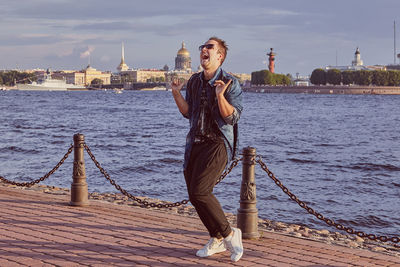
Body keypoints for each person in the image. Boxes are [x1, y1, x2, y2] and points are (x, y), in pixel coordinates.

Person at [171, 37, 243, 262]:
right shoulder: (193, 81)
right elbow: (187, 113)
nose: (204, 49)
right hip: (195, 143)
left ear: (219, 56)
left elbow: (232, 117)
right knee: (194, 195)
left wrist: (220, 96)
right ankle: (216, 238)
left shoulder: (230, 82)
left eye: (209, 47)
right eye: (202, 47)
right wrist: (175, 93)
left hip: (218, 143)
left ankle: (231, 235)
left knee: (201, 191)